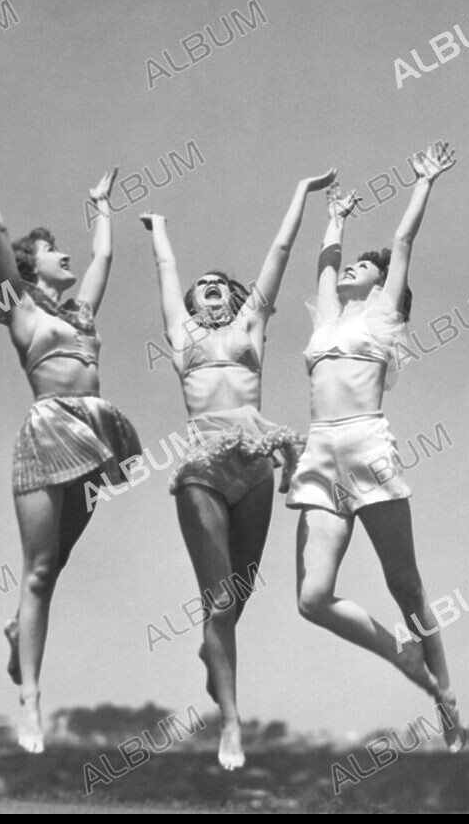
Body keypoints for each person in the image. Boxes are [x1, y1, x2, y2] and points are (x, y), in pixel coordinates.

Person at [0, 131, 141, 754]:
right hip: (48, 431)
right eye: (54, 251)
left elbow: (104, 260)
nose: (66, 256)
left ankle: (14, 628)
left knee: (61, 559)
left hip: (98, 435)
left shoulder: (81, 314)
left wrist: (102, 204)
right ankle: (30, 703)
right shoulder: (22, 310)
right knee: (41, 570)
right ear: (31, 267)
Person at [139, 169, 335, 769]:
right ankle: (230, 720)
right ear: (193, 304)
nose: (209, 288)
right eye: (202, 287)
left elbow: (279, 251)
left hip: (255, 463)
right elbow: (166, 275)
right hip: (201, 467)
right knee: (221, 599)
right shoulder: (182, 334)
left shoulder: (253, 327)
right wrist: (161, 231)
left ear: (237, 296)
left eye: (220, 283)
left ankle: (211, 653)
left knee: (240, 591)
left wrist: (300, 191)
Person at [286, 142, 466, 752]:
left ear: (385, 284)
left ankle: (445, 690)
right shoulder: (328, 318)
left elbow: (405, 244)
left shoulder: (384, 316)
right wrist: (334, 217)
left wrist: (423, 184)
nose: (351, 270)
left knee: (406, 585)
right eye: (353, 266)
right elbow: (322, 265)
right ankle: (410, 667)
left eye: (365, 266)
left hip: (366, 443)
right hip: (319, 455)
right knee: (312, 599)